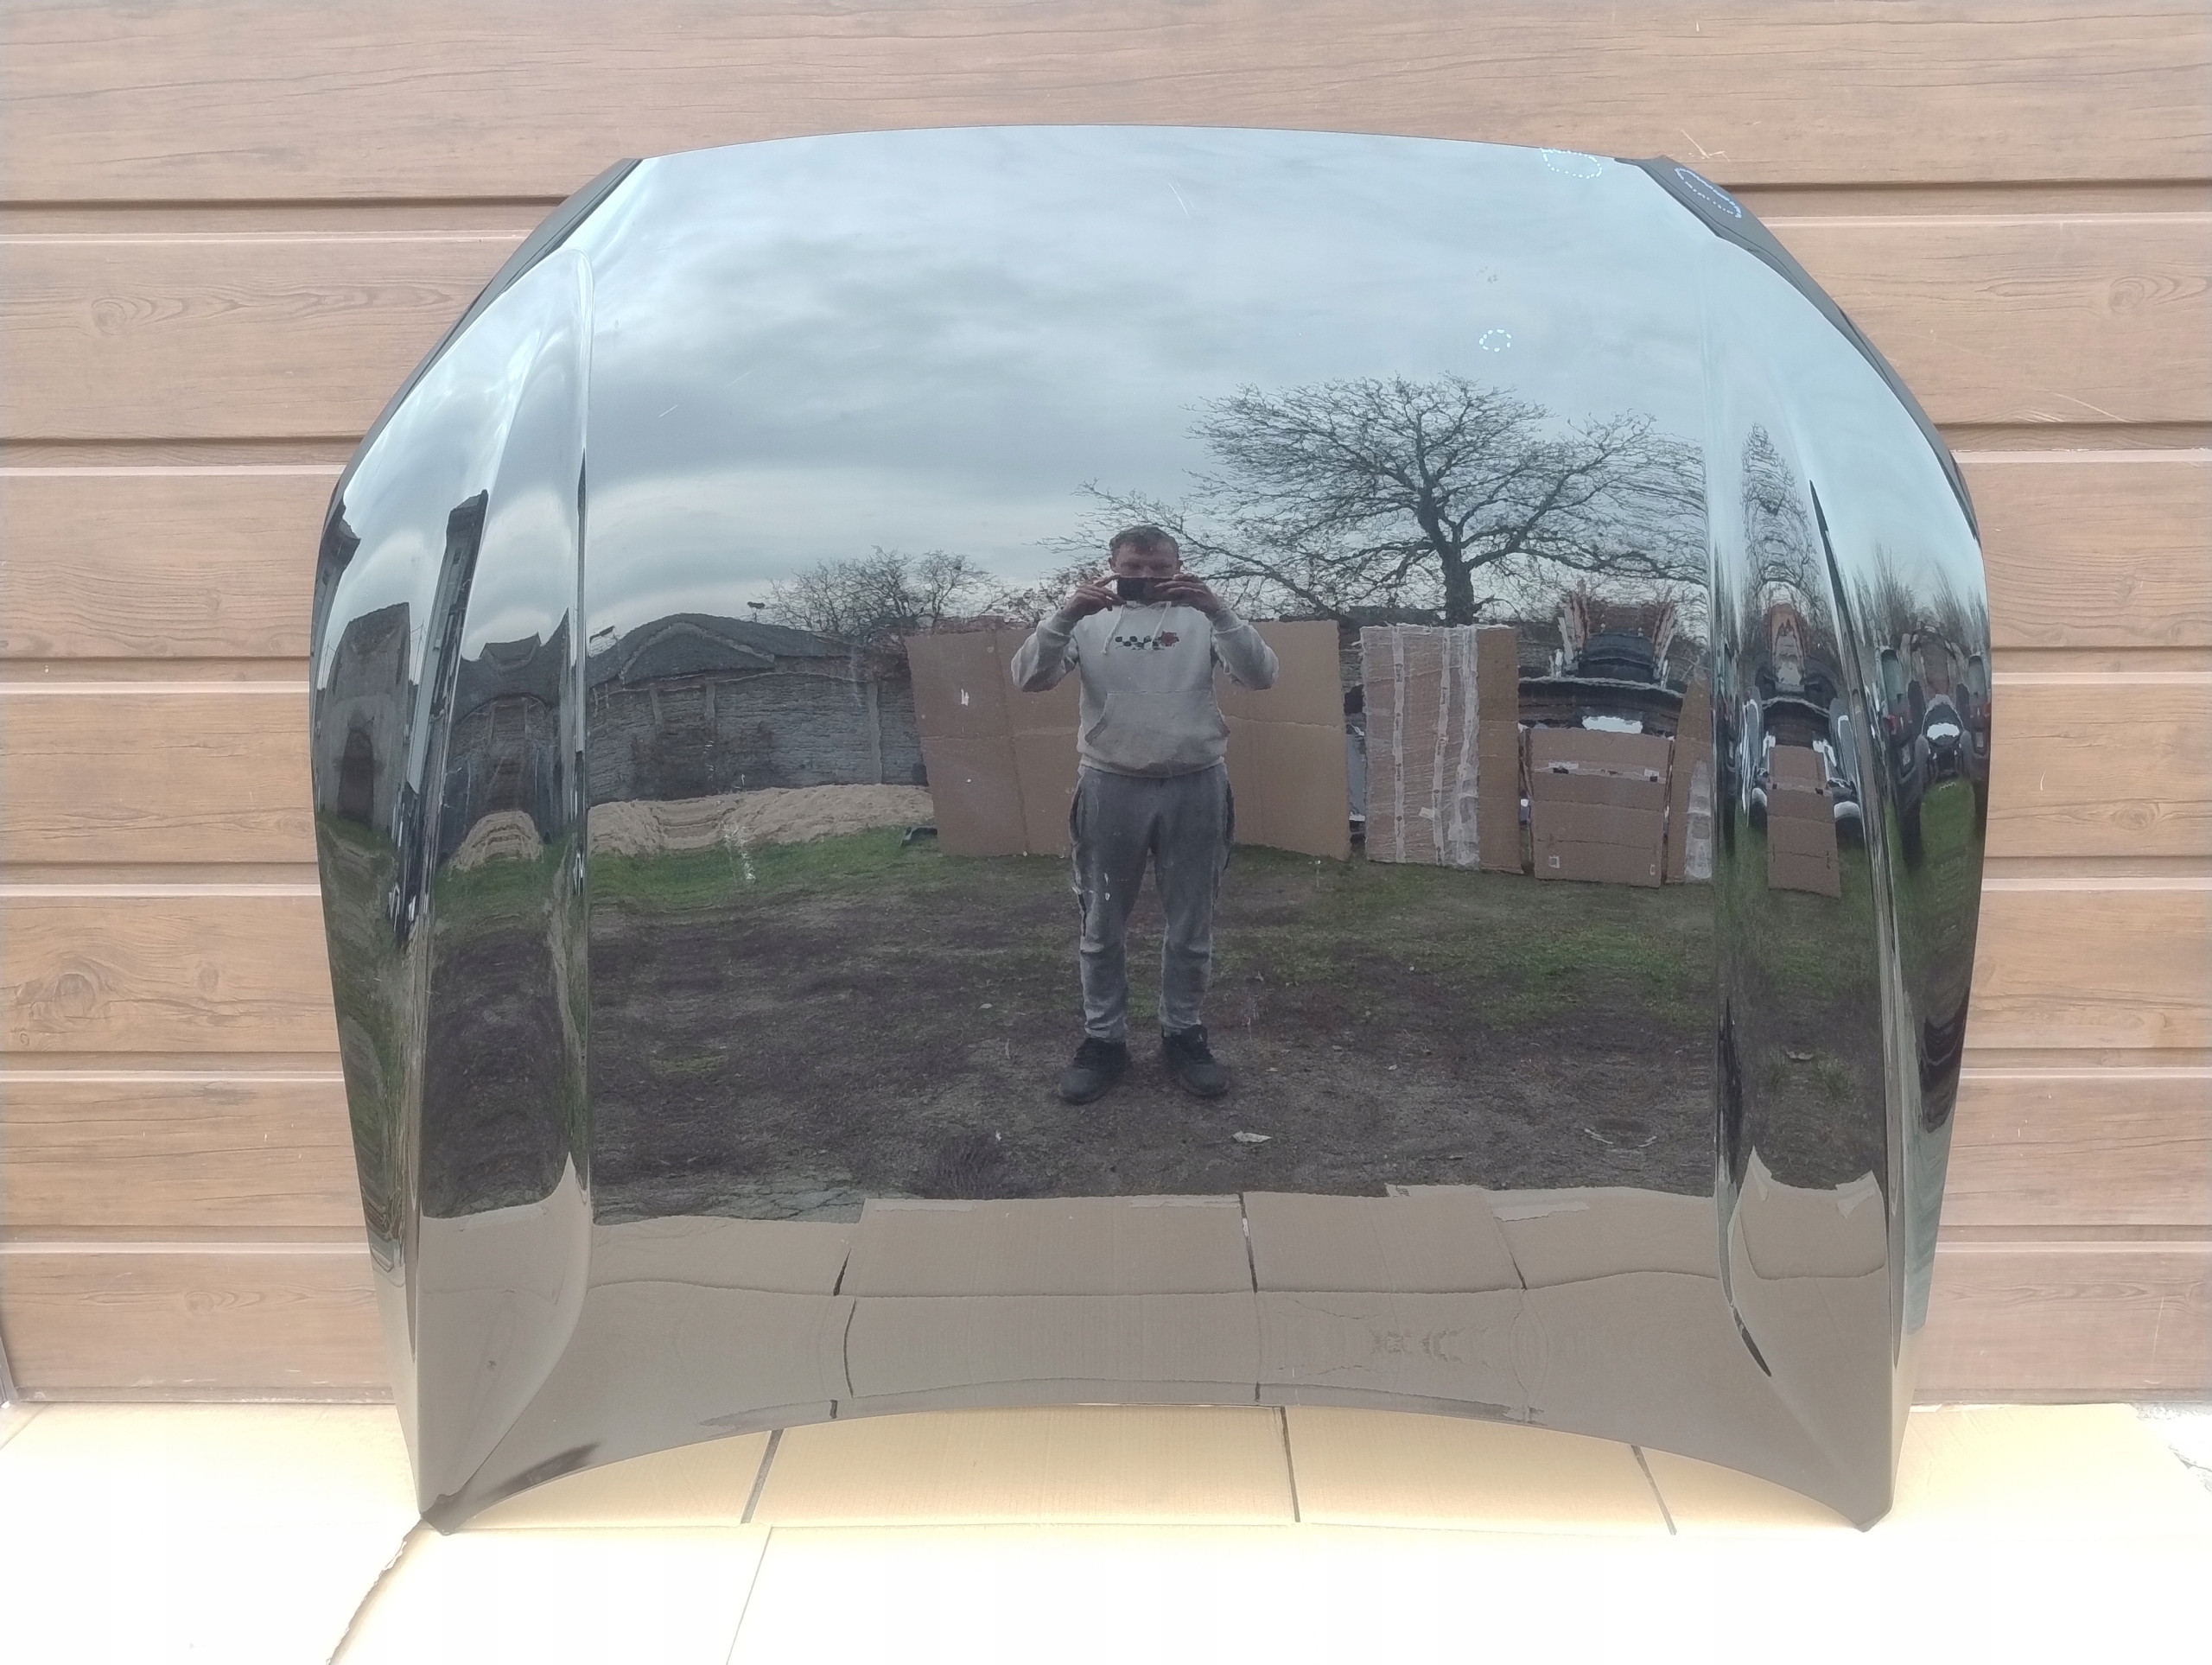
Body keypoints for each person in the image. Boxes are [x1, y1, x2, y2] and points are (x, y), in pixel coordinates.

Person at [1010, 524, 1278, 1103]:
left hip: (1195, 782)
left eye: (1160, 568)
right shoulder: (1087, 618)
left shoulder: (1203, 616)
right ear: (1113, 566)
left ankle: (1183, 1033)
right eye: (1134, 567)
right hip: (1111, 783)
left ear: (1179, 566)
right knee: (1101, 923)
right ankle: (1104, 1040)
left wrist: (1219, 609)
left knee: (1191, 923)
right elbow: (1028, 678)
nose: (1147, 578)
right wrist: (1064, 614)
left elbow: (1262, 676)